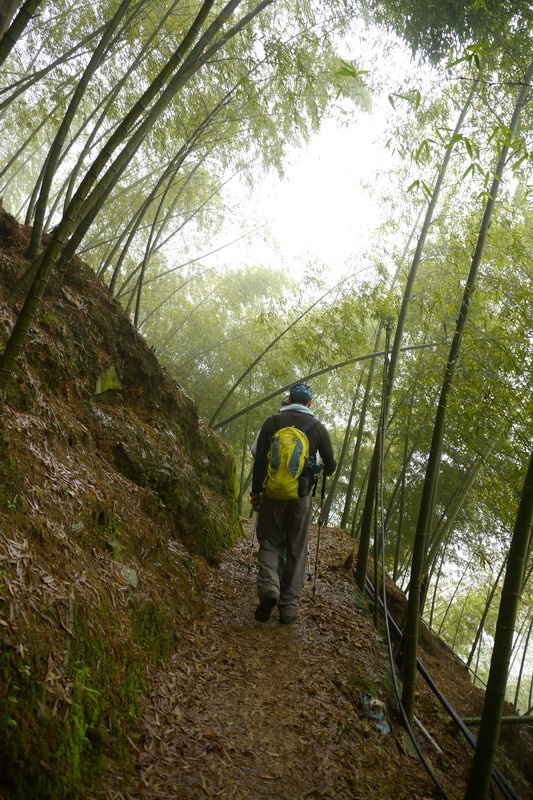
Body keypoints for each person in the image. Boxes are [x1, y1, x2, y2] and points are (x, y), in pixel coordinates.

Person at [250, 383, 336, 624]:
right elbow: (330, 467)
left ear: (289, 400)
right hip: (301, 496)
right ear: (310, 403)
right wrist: (315, 466)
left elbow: (259, 461)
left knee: (269, 541)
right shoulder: (318, 428)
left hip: (272, 494)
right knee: (297, 549)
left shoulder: (272, 422)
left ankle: (269, 588)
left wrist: (256, 492)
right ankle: (288, 609)